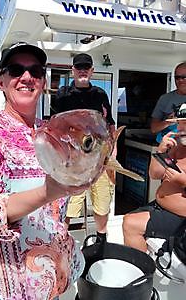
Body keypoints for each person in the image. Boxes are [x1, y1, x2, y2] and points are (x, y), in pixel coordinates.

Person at [0, 42, 89, 300]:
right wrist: (49, 192)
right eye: (16, 70)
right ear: (1, 81)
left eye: (35, 71)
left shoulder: (50, 132)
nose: (27, 77)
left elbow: (58, 208)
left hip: (46, 282)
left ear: (43, 81)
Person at [55, 53, 116, 243]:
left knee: (102, 201)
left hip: (99, 157)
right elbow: (55, 126)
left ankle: (101, 240)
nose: (82, 70)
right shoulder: (63, 94)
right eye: (78, 67)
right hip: (74, 160)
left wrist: (112, 155)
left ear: (92, 71)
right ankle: (61, 239)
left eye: (86, 67)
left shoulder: (100, 94)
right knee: (70, 202)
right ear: (72, 70)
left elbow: (110, 124)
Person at [122, 103, 186, 253]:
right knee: (129, 216)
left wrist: (183, 181)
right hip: (160, 207)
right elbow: (154, 174)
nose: (181, 130)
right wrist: (160, 151)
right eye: (179, 124)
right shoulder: (176, 145)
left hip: (181, 218)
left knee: (130, 223)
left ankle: (142, 272)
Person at [151, 62, 186, 143]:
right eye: (177, 77)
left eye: (184, 77)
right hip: (168, 146)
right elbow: (154, 129)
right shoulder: (165, 98)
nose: (180, 80)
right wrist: (169, 121)